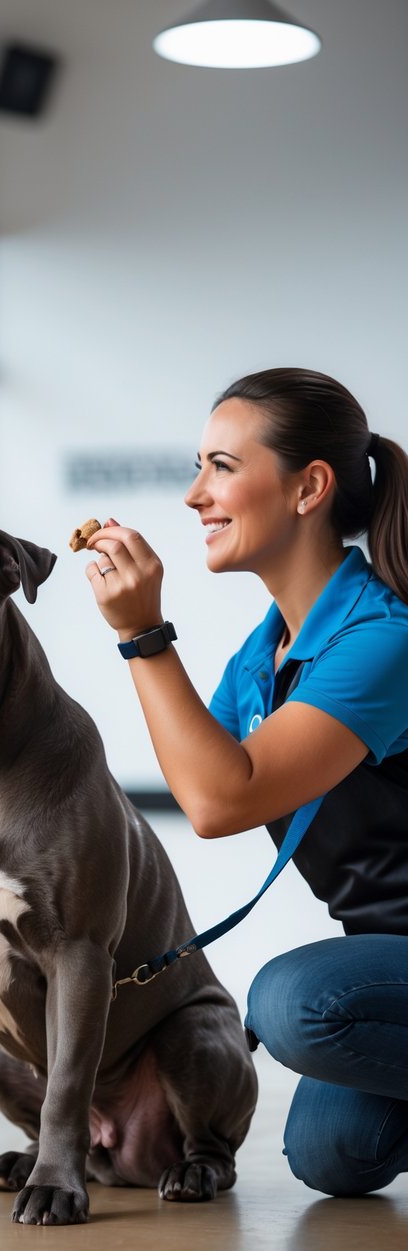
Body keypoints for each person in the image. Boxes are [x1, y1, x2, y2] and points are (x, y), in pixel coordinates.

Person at [85, 367, 408, 1198]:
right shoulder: (263, 656)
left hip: (373, 969)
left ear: (309, 488)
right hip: (389, 955)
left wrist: (144, 634)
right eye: (201, 466)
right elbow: (207, 796)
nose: (197, 494)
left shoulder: (385, 638)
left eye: (222, 467)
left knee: (292, 1001)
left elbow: (226, 796)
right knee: (329, 1153)